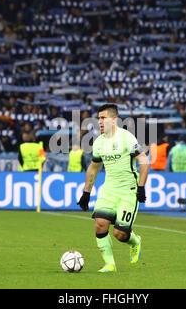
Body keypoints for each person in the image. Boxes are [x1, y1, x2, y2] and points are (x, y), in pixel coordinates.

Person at [77, 104, 150, 273]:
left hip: (128, 191)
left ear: (114, 119)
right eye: (99, 118)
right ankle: (109, 264)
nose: (100, 122)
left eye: (103, 118)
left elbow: (144, 161)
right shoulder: (99, 142)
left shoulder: (127, 138)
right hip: (109, 189)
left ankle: (135, 241)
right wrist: (86, 193)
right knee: (100, 224)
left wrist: (141, 188)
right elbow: (93, 167)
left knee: (120, 234)